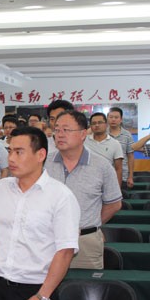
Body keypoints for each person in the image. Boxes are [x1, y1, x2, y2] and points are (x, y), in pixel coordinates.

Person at [0, 127, 80, 300]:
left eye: (19, 152)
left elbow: (65, 252)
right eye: (10, 151)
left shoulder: (60, 196)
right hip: (0, 285)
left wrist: (43, 297)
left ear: (40, 155)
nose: (11, 159)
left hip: (38, 288)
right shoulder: (1, 188)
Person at [45, 110, 122, 269]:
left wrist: (89, 223)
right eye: (57, 129)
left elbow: (114, 204)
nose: (59, 134)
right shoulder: (44, 164)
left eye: (66, 130)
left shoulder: (101, 166)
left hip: (85, 243)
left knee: (84, 283)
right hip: (47, 240)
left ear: (82, 134)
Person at [85, 112, 124, 182]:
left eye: (100, 122)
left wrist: (117, 187)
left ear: (106, 124)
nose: (97, 125)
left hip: (107, 181)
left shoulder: (115, 144)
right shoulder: (83, 141)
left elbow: (118, 169)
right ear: (90, 126)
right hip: (87, 180)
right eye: (93, 123)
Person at [108, 107, 135, 189]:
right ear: (107, 119)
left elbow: (130, 156)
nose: (113, 119)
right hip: (105, 175)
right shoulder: (102, 134)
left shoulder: (127, 135)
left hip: (122, 176)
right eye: (111, 117)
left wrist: (130, 176)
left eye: (116, 117)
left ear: (121, 119)